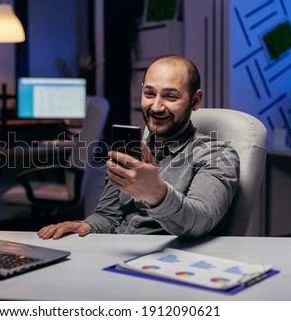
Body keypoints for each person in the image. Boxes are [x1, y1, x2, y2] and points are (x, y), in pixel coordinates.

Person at [38, 54, 240, 240]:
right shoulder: (132, 150)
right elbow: (108, 216)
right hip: (116, 253)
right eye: (149, 94)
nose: (156, 107)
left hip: (167, 264)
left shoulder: (218, 154)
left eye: (171, 97)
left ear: (195, 100)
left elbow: (199, 221)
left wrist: (155, 192)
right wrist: (84, 226)